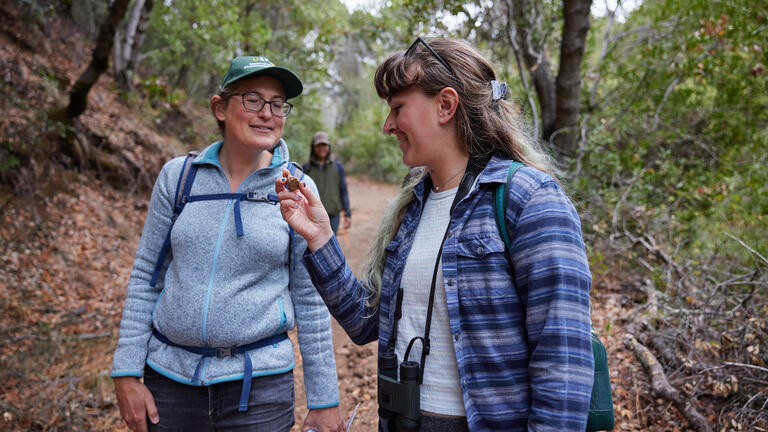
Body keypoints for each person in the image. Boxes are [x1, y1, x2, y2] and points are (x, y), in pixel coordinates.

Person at [277, 38, 594, 431]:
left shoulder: (528, 200)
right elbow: (364, 322)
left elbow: (562, 364)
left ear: (446, 105)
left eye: (397, 108)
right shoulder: (412, 206)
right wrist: (320, 237)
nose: (387, 126)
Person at [111, 55, 345, 432]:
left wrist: (324, 400)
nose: (267, 113)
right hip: (170, 382)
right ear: (220, 107)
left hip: (260, 390)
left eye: (277, 103)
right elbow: (145, 278)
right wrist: (125, 372)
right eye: (252, 99)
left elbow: (310, 298)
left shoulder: (296, 188)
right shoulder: (179, 178)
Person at [302, 132, 351, 234]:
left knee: (330, 245)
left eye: (324, 145)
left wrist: (348, 213)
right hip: (311, 216)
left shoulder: (337, 166)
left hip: (333, 215)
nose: (321, 148)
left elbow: (343, 190)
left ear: (329, 147)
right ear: (313, 147)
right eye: (318, 145)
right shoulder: (305, 168)